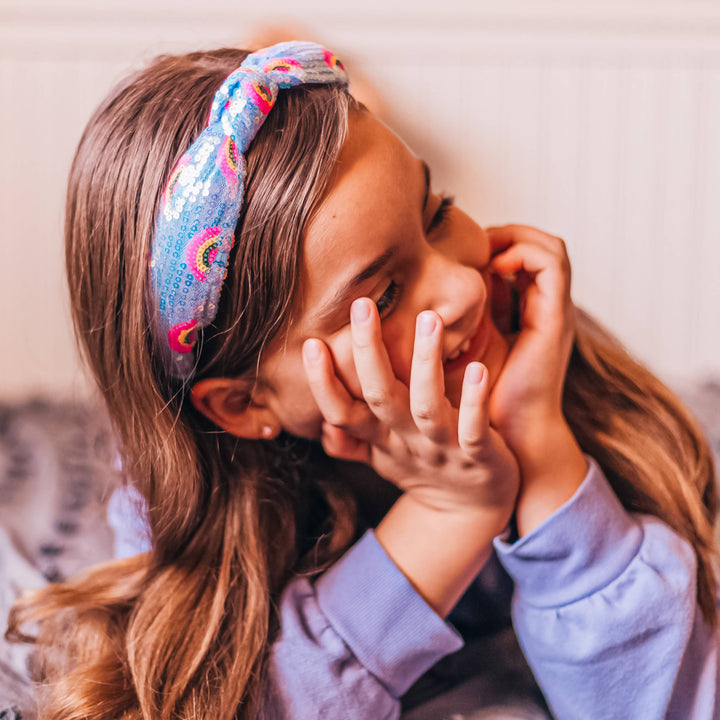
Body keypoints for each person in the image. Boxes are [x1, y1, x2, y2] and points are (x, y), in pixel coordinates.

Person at [6, 41, 719, 720]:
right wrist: (449, 516)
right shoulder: (185, 502)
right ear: (245, 402)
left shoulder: (525, 355)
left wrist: (540, 446)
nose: (463, 289)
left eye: (435, 212)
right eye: (380, 297)